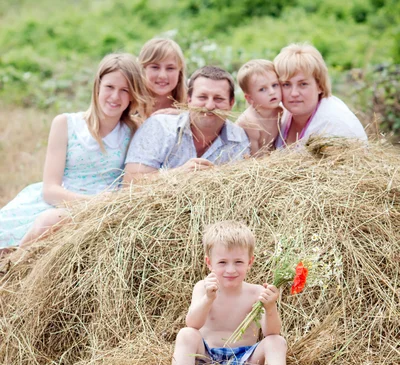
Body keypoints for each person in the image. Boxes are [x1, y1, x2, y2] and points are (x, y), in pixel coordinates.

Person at [0, 53, 149, 250]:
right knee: (45, 222)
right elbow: (50, 189)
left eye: (124, 90)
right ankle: (14, 272)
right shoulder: (66, 124)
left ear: (132, 95)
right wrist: (92, 202)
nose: (115, 97)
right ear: (97, 86)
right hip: (63, 201)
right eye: (109, 87)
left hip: (107, 209)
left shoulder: (135, 130)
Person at [162, 220, 290, 365]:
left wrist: (270, 307)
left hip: (246, 363)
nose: (231, 270)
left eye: (238, 262)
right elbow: (192, 323)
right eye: (222, 263)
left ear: (250, 262)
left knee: (277, 341)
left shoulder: (256, 292)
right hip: (208, 363)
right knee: (186, 334)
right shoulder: (203, 288)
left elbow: (271, 332)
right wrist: (208, 299)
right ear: (209, 263)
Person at [123, 66, 250, 183]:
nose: (210, 106)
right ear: (189, 100)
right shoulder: (158, 127)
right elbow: (130, 182)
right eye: (202, 97)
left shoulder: (239, 140)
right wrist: (178, 174)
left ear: (231, 103)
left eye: (219, 99)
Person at [273, 43, 367, 147]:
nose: (294, 93)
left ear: (320, 86)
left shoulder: (337, 128)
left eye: (303, 84)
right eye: (286, 84)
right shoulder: (278, 114)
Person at [236, 59, 283, 155]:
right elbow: (255, 158)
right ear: (250, 98)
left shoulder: (280, 112)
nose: (272, 92)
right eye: (262, 89)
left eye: (275, 85)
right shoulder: (250, 122)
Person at [139, 38, 187, 113]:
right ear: (143, 69)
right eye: (155, 67)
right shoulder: (129, 107)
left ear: (179, 71)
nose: (162, 76)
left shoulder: (192, 108)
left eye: (170, 68)